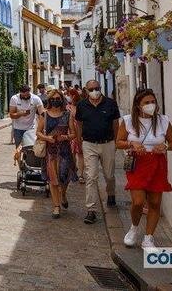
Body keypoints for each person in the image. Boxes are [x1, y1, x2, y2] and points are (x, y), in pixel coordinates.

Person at [116, 89, 172, 249]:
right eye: (146, 102)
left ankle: (148, 238)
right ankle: (134, 228)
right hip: (137, 163)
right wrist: (132, 144)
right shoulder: (128, 121)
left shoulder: (163, 121)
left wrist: (164, 146)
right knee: (138, 202)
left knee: (155, 202)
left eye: (153, 102)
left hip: (157, 163)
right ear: (138, 105)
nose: (151, 105)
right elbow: (118, 142)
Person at [75, 79, 121, 225]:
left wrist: (116, 141)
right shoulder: (82, 105)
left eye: (97, 88)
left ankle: (111, 193)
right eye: (91, 89)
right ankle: (91, 210)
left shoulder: (110, 103)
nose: (94, 91)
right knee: (91, 176)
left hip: (107, 143)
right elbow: (79, 124)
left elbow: (115, 123)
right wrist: (78, 140)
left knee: (109, 174)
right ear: (86, 90)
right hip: (89, 144)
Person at [36, 90, 78, 218]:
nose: (55, 100)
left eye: (57, 98)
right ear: (49, 100)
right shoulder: (45, 115)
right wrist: (47, 138)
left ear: (61, 99)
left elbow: (74, 133)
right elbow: (38, 132)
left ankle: (63, 194)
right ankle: (56, 206)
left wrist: (65, 137)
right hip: (50, 151)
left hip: (64, 150)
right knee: (53, 179)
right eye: (53, 98)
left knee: (64, 177)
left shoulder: (67, 114)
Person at [9, 85, 44, 159]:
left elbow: (42, 114)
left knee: (30, 148)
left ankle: (28, 164)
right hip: (18, 128)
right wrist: (21, 113)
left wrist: (42, 127)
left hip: (31, 128)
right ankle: (20, 167)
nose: (25, 97)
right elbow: (12, 115)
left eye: (27, 95)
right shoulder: (14, 98)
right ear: (20, 92)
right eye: (23, 95)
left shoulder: (36, 98)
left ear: (29, 91)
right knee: (18, 149)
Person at [66, 88, 85, 183]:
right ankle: (74, 171)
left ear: (73, 96)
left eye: (68, 94)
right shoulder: (67, 107)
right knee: (72, 154)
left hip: (79, 133)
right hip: (70, 133)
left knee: (80, 154)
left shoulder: (81, 106)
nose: (67, 96)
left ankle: (81, 175)